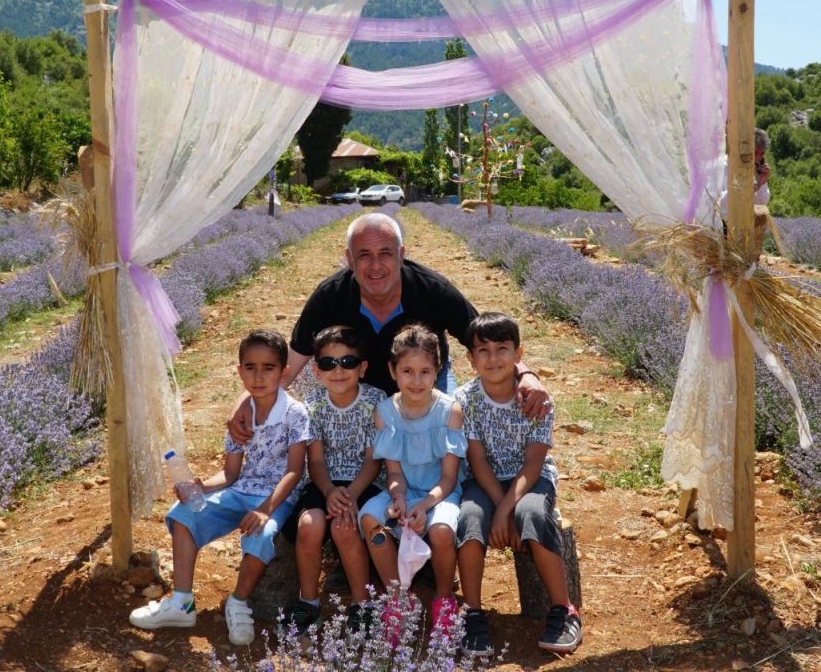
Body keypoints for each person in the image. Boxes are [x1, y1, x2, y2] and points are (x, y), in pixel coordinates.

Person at [229, 213, 550, 443]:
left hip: (423, 379)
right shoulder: (331, 296)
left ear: (401, 255)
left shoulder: (431, 290)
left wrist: (528, 375)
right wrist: (246, 400)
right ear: (349, 260)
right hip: (357, 386)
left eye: (385, 253)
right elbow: (292, 362)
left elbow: (486, 342)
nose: (376, 265)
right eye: (364, 255)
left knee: (447, 433)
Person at [129, 329, 309, 646]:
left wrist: (265, 510)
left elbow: (295, 471)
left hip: (276, 497)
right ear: (239, 372)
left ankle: (238, 601)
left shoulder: (295, 413)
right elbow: (230, 473)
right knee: (183, 513)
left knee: (261, 533)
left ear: (283, 372)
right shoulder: (241, 417)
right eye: (250, 367)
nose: (258, 376)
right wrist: (201, 484)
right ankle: (182, 602)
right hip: (241, 490)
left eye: (268, 368)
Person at [454, 312, 582, 656]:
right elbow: (477, 460)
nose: (493, 358)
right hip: (485, 480)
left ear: (519, 353)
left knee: (533, 515)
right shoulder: (467, 400)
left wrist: (507, 509)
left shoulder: (536, 399)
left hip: (532, 479)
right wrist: (498, 510)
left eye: (502, 349)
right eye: (483, 350)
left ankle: (564, 609)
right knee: (469, 519)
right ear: (470, 358)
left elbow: (533, 463)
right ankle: (474, 613)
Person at [357, 325, 466, 643]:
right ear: (392, 371)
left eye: (425, 371)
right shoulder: (386, 412)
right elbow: (393, 473)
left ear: (438, 371)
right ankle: (397, 598)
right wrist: (398, 498)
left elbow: (448, 478)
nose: (416, 381)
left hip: (439, 493)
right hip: (406, 491)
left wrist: (423, 504)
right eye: (407, 371)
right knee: (371, 519)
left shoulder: (449, 410)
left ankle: (444, 600)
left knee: (442, 530)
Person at [278, 325, 385, 633]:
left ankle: (361, 605)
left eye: (348, 362)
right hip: (324, 483)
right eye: (328, 363)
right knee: (309, 526)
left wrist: (349, 495)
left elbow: (373, 460)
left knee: (345, 525)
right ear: (316, 370)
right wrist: (329, 491)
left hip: (364, 483)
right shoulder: (313, 404)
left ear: (362, 368)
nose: (338, 371)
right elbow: (317, 460)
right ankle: (308, 603)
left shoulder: (375, 402)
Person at [754, 127, 771, 206]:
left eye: (761, 154)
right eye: (755, 153)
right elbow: (723, 210)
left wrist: (761, 183)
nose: (757, 159)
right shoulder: (725, 165)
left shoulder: (757, 169)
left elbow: (762, 203)